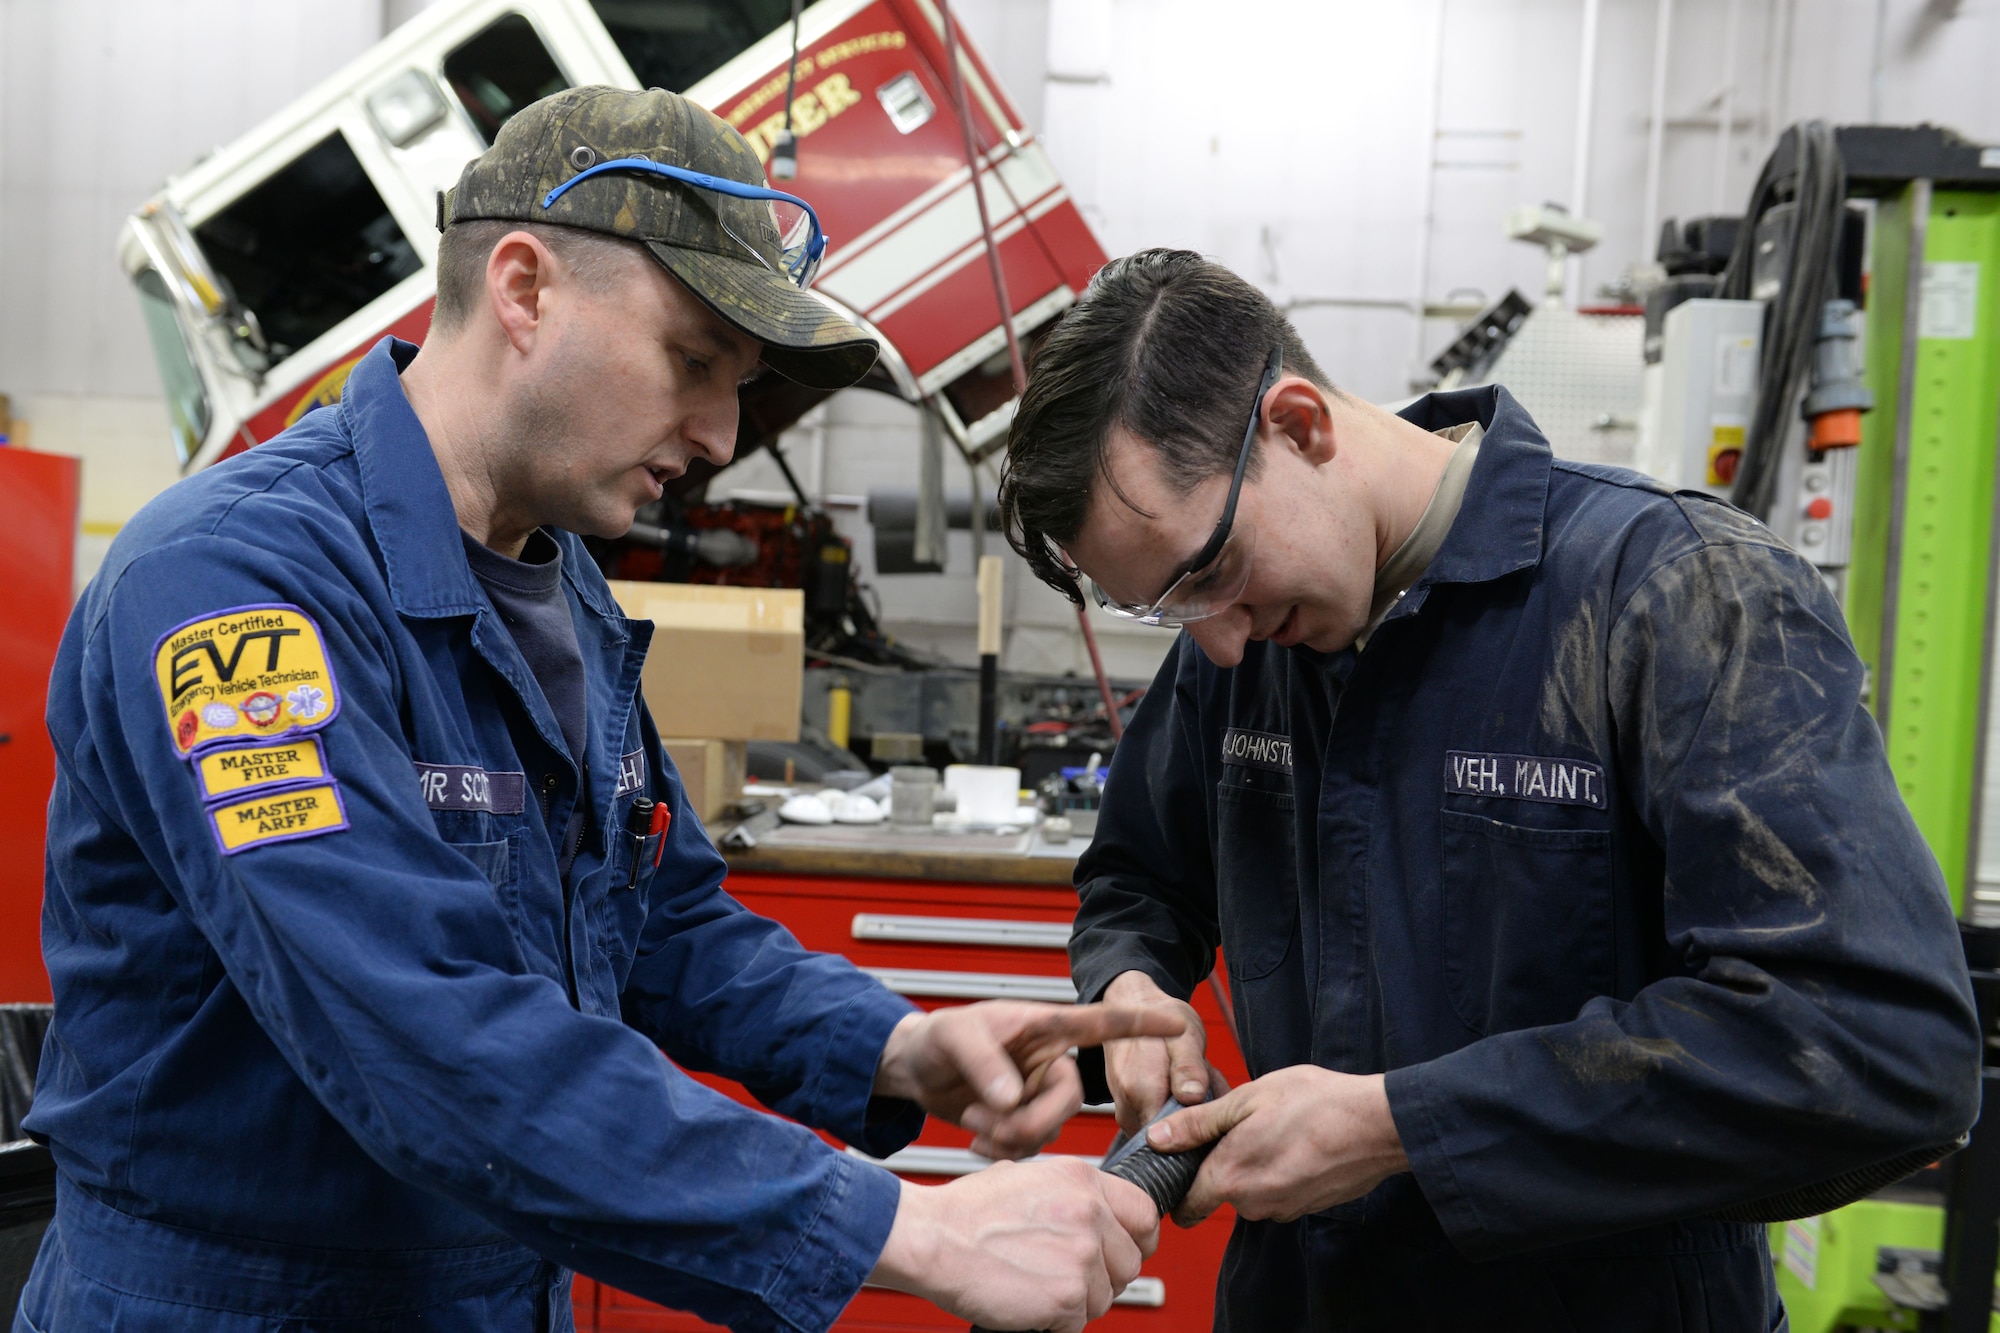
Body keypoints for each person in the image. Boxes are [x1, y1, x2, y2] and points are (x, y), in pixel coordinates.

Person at [18, 88, 1174, 1333]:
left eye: (736, 383)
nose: (723, 432)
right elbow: (423, 1031)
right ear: (523, 290)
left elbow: (658, 913)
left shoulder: (551, 570)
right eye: (692, 362)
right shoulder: (235, 589)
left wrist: (888, 1047)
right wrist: (898, 1223)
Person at [995, 247, 1983, 1330]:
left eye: (1207, 574)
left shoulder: (1671, 594)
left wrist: (1398, 1125)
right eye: (1168, 610)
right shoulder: (1245, 636)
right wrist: (1132, 988)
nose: (1216, 644)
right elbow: (1140, 876)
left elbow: (1873, 1047)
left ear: (1297, 425)